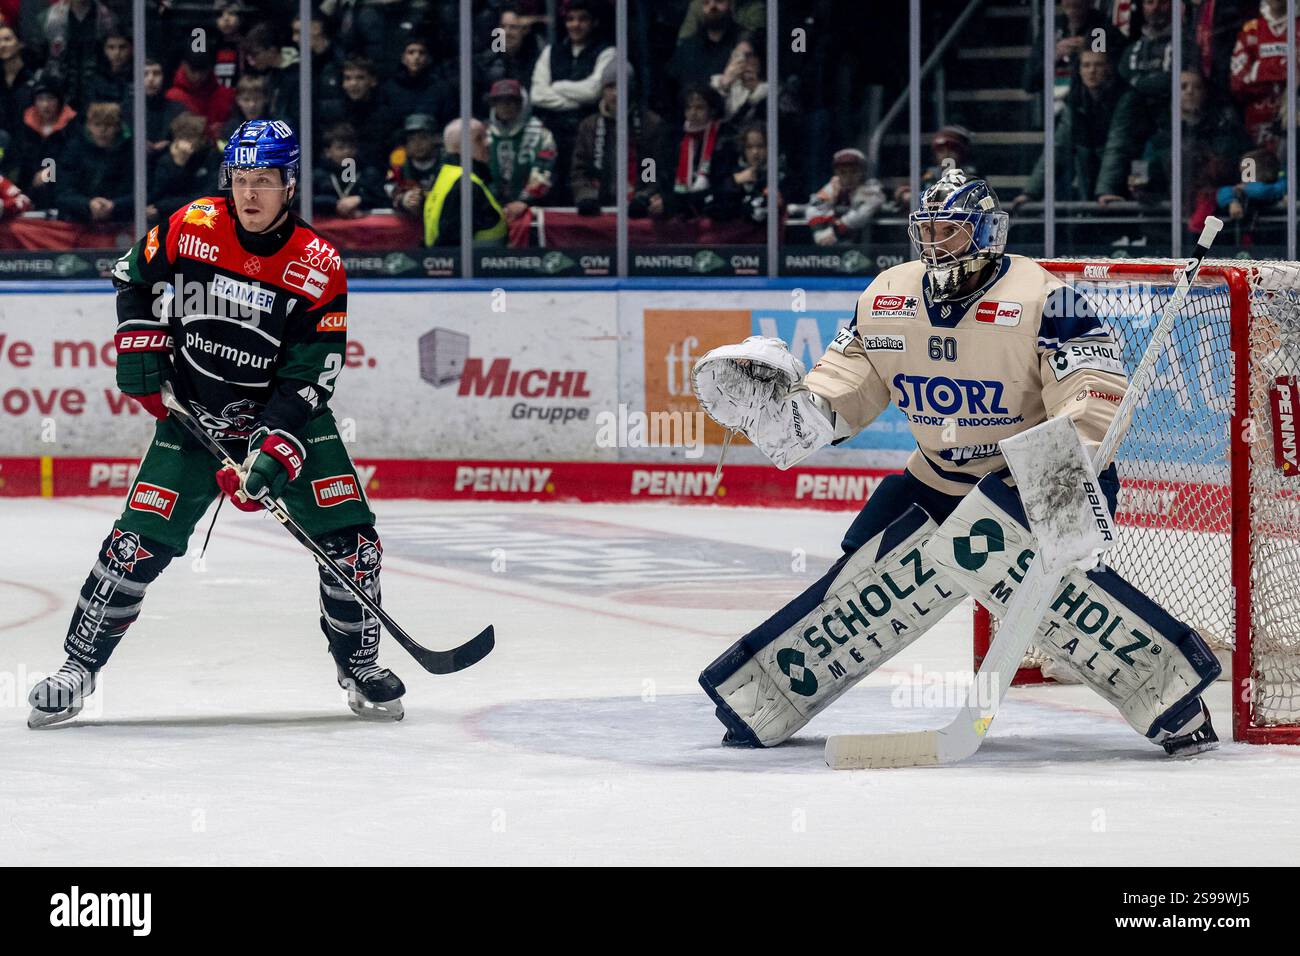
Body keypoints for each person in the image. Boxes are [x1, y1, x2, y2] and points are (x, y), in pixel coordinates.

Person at [691, 168, 1221, 757]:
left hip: (1040, 477)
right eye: (929, 230)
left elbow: (1090, 402)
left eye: (951, 231)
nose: (936, 244)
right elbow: (840, 395)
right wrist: (776, 416)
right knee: (868, 570)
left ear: (986, 231)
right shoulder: (887, 297)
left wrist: (1060, 489)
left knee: (1041, 585)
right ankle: (762, 695)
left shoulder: (1045, 297)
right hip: (939, 478)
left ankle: (1173, 700)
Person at [27, 120, 405, 727]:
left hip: (289, 423)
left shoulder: (316, 263)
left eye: (264, 181)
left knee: (354, 547)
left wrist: (274, 444)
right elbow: (132, 277)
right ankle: (77, 668)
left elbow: (314, 370)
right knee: (134, 546)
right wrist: (139, 342)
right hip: (193, 418)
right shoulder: (193, 224)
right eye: (240, 180)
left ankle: (358, 664)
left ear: (289, 184)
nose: (249, 194)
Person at [423, 117, 506, 247]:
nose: (488, 142)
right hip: (473, 265)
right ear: (459, 147)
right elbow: (451, 243)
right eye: (479, 138)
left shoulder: (445, 174)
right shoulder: (465, 185)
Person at [485, 78, 556, 223]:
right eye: (500, 101)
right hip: (489, 208)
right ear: (493, 105)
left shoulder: (540, 133)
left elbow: (545, 168)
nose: (505, 106)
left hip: (531, 207)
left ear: (520, 103)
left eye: (511, 101)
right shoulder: (483, 133)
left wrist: (525, 200)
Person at [807, 147, 886, 246]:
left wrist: (834, 230)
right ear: (836, 173)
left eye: (853, 171)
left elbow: (861, 214)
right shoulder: (833, 185)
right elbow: (814, 206)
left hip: (872, 243)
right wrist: (819, 231)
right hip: (841, 241)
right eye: (843, 172)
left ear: (862, 172)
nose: (848, 176)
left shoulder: (871, 187)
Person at [388, 113, 441, 218]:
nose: (417, 144)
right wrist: (403, 199)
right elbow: (389, 191)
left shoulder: (446, 163)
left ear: (434, 139)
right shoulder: (399, 165)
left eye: (423, 138)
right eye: (412, 139)